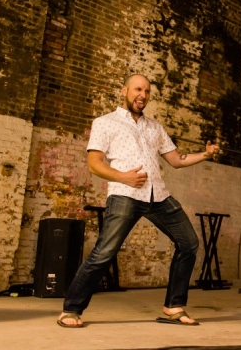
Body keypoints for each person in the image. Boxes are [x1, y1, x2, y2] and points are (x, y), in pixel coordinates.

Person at [57, 74, 220, 328]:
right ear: (125, 90)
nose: (142, 95)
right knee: (104, 253)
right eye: (137, 89)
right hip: (125, 194)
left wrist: (206, 154)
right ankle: (71, 309)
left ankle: (174, 305)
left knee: (189, 242)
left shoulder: (155, 128)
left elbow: (176, 160)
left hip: (159, 195)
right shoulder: (105, 123)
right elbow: (94, 164)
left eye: (146, 91)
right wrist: (124, 177)